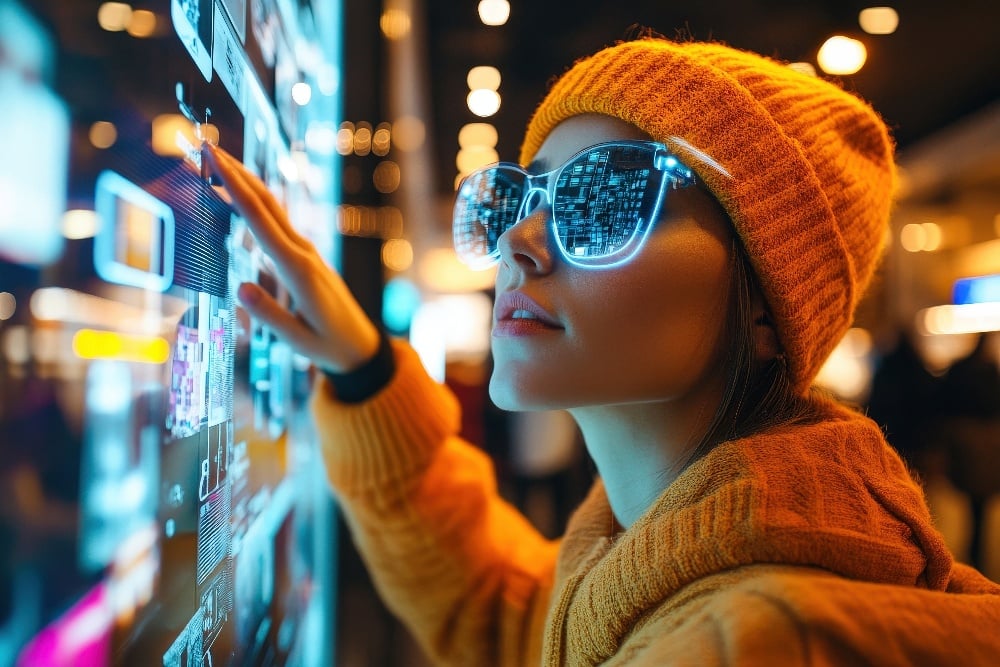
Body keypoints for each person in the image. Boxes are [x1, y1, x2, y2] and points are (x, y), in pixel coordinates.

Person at [203, 35, 1000, 666]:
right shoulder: (646, 556)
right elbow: (509, 612)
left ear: (767, 304)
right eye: (523, 195)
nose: (519, 239)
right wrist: (366, 366)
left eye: (604, 196)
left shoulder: (755, 640)